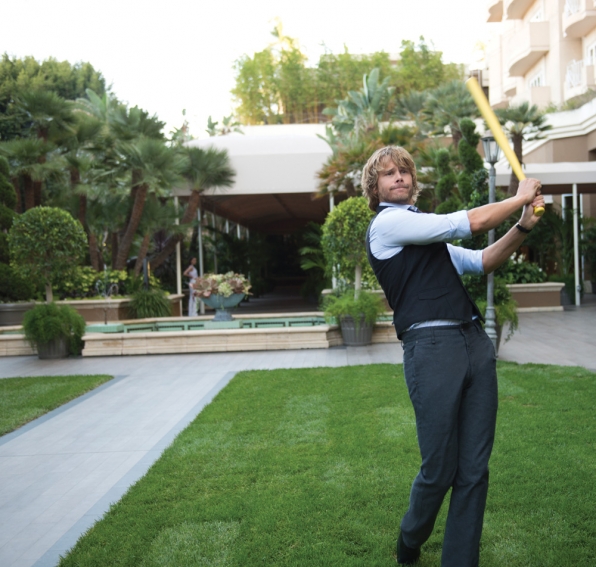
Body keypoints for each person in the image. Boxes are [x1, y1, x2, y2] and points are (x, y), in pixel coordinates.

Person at [362, 146, 544, 567]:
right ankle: (410, 539)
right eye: (388, 174)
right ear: (375, 188)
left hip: (474, 342)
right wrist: (519, 197)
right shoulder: (388, 225)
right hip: (431, 348)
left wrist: (523, 226)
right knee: (439, 468)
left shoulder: (426, 232)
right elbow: (471, 223)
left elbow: (482, 261)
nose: (399, 177)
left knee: (474, 468)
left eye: (404, 170)